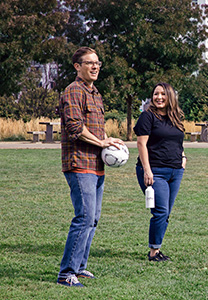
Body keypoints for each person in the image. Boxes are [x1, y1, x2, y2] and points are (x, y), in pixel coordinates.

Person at [57, 47, 124, 287]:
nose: (95, 67)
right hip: (79, 163)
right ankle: (67, 273)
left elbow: (97, 128)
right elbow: (75, 128)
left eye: (98, 63)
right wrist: (101, 142)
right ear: (77, 66)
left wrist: (109, 143)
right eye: (89, 63)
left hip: (96, 165)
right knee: (84, 217)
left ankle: (80, 267)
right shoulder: (73, 91)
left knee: (93, 219)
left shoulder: (95, 93)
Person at [134, 82, 187, 262]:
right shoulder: (147, 117)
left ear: (170, 96)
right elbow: (141, 144)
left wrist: (184, 158)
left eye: (163, 94)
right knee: (161, 212)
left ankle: (157, 249)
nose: (159, 97)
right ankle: (154, 252)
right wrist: (147, 171)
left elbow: (177, 142)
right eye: (156, 94)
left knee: (166, 213)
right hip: (155, 171)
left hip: (175, 171)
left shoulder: (176, 117)